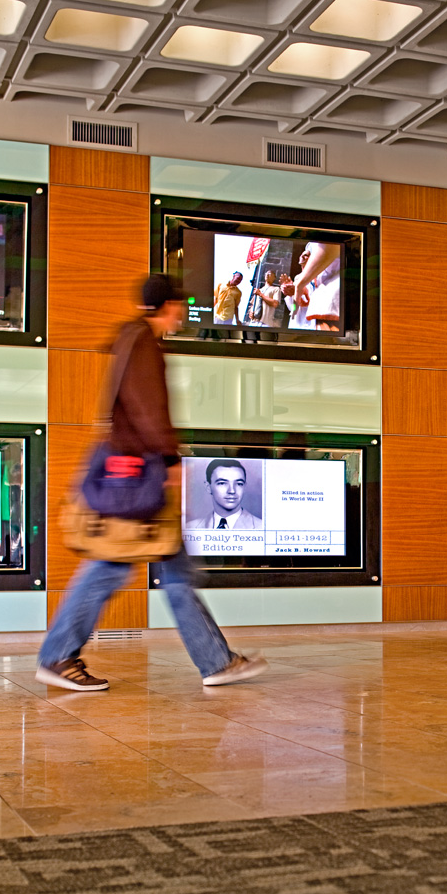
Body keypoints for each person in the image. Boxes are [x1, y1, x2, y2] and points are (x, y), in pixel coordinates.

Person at [35, 274, 268, 692]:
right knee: (111, 565)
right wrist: (168, 457)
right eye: (181, 304)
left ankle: (216, 660)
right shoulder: (143, 342)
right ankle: (57, 655)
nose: (183, 312)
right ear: (169, 305)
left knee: (170, 568)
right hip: (140, 479)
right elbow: (146, 407)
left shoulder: (134, 339)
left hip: (137, 476)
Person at [187, 459, 263, 530]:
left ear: (244, 487)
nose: (232, 491)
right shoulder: (190, 527)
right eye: (222, 483)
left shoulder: (260, 526)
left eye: (239, 484)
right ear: (208, 487)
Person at [294, 242, 341, 331]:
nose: (304, 257)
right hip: (304, 321)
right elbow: (293, 307)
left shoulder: (310, 278)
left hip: (328, 311)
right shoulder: (299, 279)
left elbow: (329, 246)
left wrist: (299, 286)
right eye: (303, 255)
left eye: (308, 255)